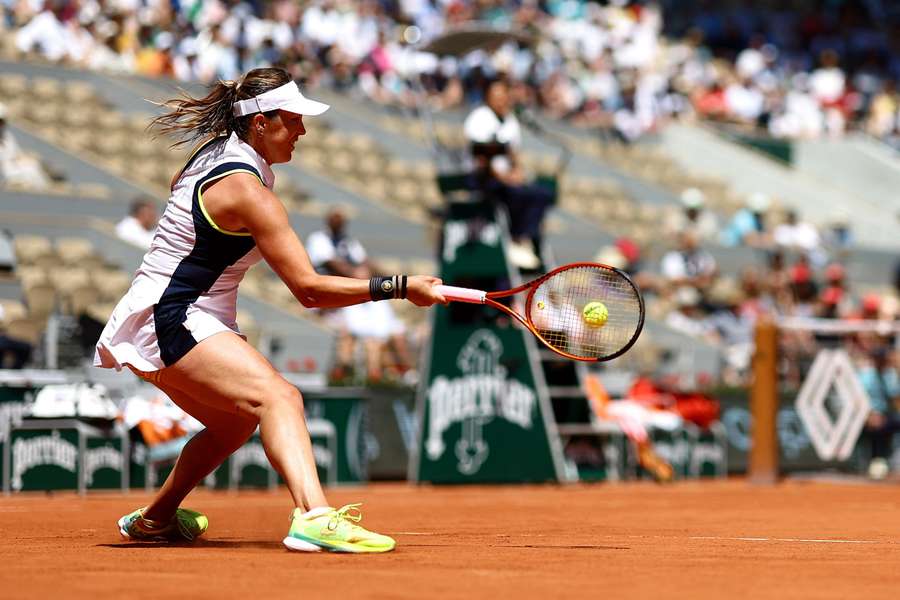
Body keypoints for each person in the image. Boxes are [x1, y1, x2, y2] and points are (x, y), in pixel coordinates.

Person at [93, 67, 446, 553]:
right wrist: (402, 287)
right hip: (173, 314)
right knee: (280, 398)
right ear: (260, 122)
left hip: (166, 311)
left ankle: (156, 517)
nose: (302, 130)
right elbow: (309, 290)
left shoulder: (217, 154)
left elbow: (184, 199)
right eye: (293, 119)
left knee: (235, 421)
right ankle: (315, 516)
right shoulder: (247, 190)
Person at [306, 206, 415, 383]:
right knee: (357, 332)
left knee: (390, 327)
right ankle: (349, 371)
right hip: (330, 294)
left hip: (353, 292)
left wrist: (394, 280)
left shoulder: (348, 241)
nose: (339, 223)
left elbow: (366, 262)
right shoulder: (318, 239)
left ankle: (403, 372)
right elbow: (331, 264)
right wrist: (358, 275)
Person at [463, 78, 554, 270]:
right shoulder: (479, 118)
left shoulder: (511, 120)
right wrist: (506, 178)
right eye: (496, 96)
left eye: (504, 95)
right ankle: (516, 237)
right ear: (488, 97)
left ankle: (522, 236)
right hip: (482, 179)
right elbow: (482, 159)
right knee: (515, 194)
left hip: (505, 178)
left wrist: (517, 173)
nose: (501, 100)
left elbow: (514, 154)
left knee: (543, 193)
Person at [0, 102, 49, 189]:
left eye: (2, 122)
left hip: (10, 169)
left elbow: (16, 155)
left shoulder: (8, 136)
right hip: (3, 172)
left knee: (32, 168)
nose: (1, 125)